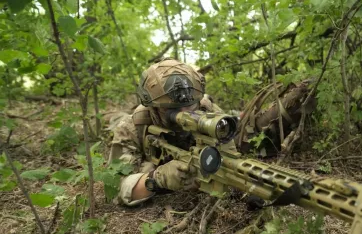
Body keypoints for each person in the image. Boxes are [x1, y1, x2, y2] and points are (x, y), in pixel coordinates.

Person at [108, 58, 315, 207]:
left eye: (190, 106)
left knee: (257, 128)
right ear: (152, 106)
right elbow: (116, 188)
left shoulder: (207, 111)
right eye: (172, 110)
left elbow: (229, 159)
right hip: (143, 148)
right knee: (114, 121)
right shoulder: (132, 127)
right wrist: (156, 179)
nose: (185, 114)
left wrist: (246, 188)